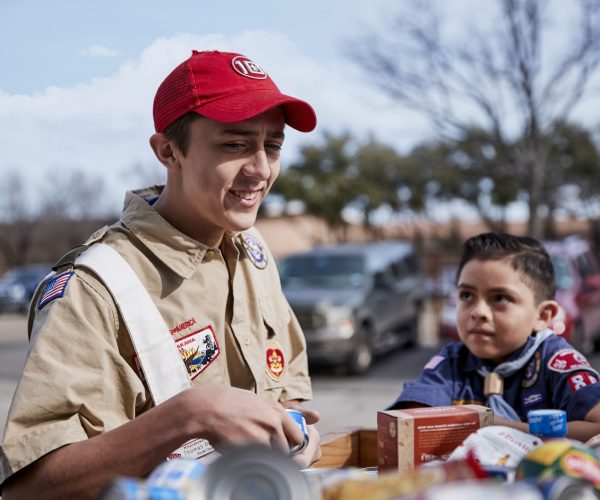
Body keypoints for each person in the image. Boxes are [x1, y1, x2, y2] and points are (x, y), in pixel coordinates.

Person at [0, 49, 321, 499]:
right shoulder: (95, 287)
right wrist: (189, 415)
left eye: (272, 145)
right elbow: (29, 488)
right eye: (235, 145)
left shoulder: (252, 250)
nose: (261, 170)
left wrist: (294, 432)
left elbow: (285, 394)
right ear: (168, 151)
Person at [388, 232, 600, 441]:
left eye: (500, 298)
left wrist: (509, 430)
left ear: (542, 315)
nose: (478, 312)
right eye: (466, 295)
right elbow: (407, 424)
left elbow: (597, 425)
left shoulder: (557, 361)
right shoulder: (451, 364)